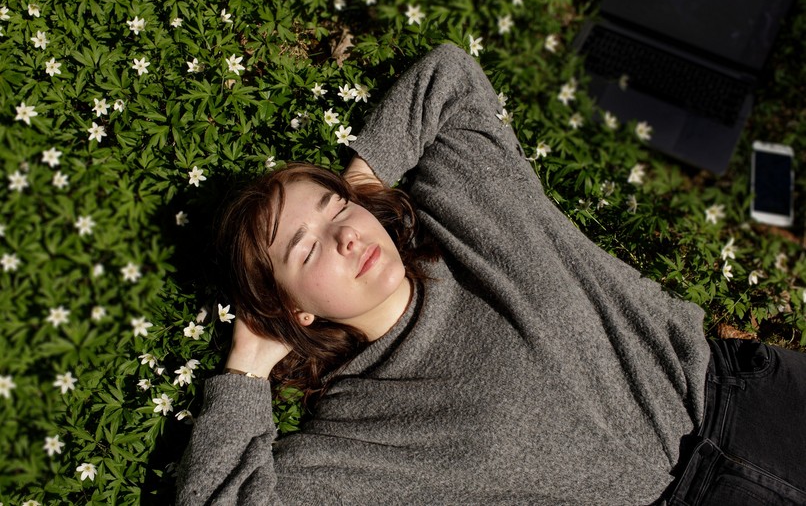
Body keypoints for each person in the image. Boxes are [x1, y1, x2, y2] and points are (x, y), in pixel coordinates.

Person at [176, 44, 806, 505]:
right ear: (294, 312)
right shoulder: (364, 431)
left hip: (748, 393)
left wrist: (364, 180)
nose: (344, 235)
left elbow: (449, 77)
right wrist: (245, 373)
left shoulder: (460, 209)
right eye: (305, 252)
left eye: (334, 206)